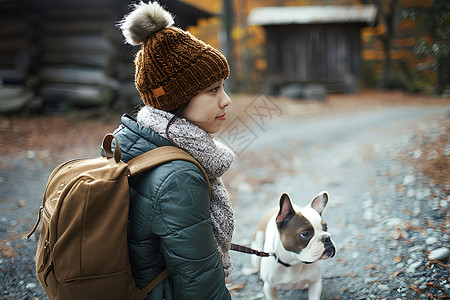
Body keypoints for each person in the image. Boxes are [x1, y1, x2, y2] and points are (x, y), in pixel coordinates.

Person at [112, 1, 234, 299]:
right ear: (175, 100)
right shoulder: (179, 175)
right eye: (213, 89)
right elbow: (199, 282)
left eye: (223, 87)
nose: (226, 100)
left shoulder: (134, 137)